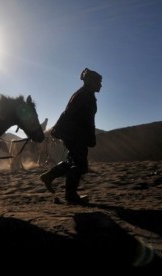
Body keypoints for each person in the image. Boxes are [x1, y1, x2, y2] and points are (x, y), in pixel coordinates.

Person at [40, 68, 102, 205]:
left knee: (72, 162)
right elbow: (67, 113)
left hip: (78, 135)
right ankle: (71, 195)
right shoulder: (83, 95)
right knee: (79, 165)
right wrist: (58, 129)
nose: (100, 85)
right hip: (75, 135)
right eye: (98, 82)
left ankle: (49, 176)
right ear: (90, 82)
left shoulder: (87, 95)